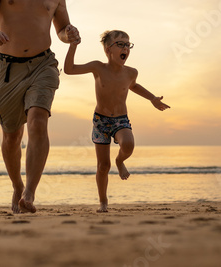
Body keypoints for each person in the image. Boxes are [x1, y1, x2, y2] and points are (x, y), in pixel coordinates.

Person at [0, 0, 80, 213]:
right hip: (9, 69)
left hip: (44, 65)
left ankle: (29, 193)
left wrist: (67, 35)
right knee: (11, 136)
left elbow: (60, 29)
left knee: (38, 121)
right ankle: (17, 185)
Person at [64, 30, 170, 212]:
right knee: (103, 166)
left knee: (128, 144)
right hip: (100, 121)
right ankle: (103, 201)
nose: (125, 48)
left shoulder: (131, 72)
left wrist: (152, 98)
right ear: (108, 50)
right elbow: (69, 69)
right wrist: (73, 46)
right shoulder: (98, 67)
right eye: (120, 44)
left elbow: (134, 86)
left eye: (127, 45)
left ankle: (120, 161)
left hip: (121, 119)